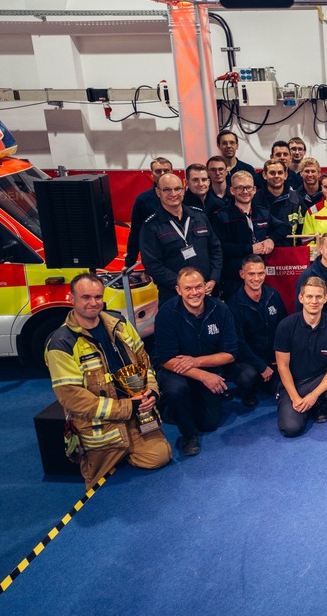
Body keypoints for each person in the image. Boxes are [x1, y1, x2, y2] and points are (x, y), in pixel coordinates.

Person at [46, 273, 170, 487]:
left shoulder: (120, 323)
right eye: (86, 297)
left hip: (139, 417)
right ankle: (116, 452)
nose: (93, 303)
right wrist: (127, 408)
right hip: (103, 429)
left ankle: (129, 449)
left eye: (97, 297)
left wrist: (151, 390)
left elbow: (145, 361)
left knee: (161, 456)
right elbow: (74, 400)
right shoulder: (61, 343)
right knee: (97, 483)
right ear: (71, 298)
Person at [152, 267, 237, 457]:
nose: (194, 292)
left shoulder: (220, 309)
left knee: (209, 423)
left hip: (203, 365)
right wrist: (204, 376)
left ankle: (181, 407)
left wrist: (196, 362)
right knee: (177, 390)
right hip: (175, 370)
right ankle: (189, 435)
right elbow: (166, 359)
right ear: (178, 290)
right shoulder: (167, 313)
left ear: (206, 287)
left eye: (198, 286)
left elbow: (230, 354)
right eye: (188, 288)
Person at [275, 276, 327, 437]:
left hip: (322, 378)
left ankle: (318, 403)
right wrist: (295, 398)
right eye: (309, 296)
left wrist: (314, 395)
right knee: (290, 429)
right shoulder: (286, 326)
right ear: (301, 298)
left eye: (319, 296)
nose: (314, 301)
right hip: (295, 382)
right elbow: (282, 366)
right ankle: (307, 406)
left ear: (325, 298)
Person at [140, 172, 222, 303]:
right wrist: (186, 286)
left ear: (184, 189)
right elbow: (153, 266)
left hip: (207, 290)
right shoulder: (151, 226)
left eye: (177, 189)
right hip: (174, 295)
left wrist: (213, 278)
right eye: (167, 189)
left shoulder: (200, 216)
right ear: (158, 192)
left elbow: (215, 249)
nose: (173, 194)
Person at [211, 171, 283, 297]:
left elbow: (284, 227)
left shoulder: (263, 213)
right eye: (240, 188)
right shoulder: (221, 216)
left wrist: (271, 240)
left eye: (248, 187)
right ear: (232, 190)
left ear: (254, 189)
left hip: (259, 276)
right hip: (234, 278)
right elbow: (221, 247)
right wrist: (250, 249)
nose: (245, 191)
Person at [227, 255, 286, 408]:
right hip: (247, 361)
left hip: (271, 357)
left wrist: (279, 356)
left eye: (260, 273)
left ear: (265, 273)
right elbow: (238, 342)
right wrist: (261, 366)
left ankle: (266, 381)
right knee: (248, 377)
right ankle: (248, 392)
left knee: (285, 385)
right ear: (242, 274)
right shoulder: (233, 305)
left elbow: (283, 328)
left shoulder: (274, 295)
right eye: (251, 274)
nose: (256, 278)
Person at [125, 156, 172, 267]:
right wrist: (129, 263)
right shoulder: (143, 200)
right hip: (155, 254)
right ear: (152, 174)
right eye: (158, 171)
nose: (162, 173)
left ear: (172, 172)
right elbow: (135, 232)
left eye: (166, 170)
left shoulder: (182, 196)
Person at [256, 158, 303, 243]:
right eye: (272, 173)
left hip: (289, 250)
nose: (276, 176)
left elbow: (302, 227)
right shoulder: (256, 198)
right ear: (264, 175)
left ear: (285, 175)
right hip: (263, 251)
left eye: (280, 173)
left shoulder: (296, 197)